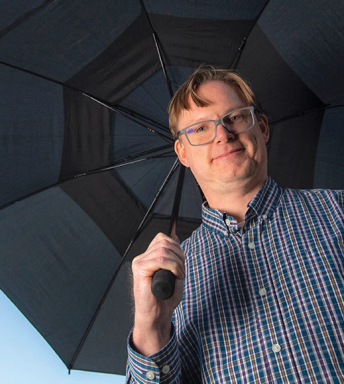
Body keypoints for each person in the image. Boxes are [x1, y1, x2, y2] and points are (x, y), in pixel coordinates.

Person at [126, 66, 344, 383]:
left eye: (235, 118)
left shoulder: (338, 212)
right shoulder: (168, 280)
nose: (223, 135)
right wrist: (152, 324)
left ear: (263, 127)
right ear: (182, 152)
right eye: (200, 128)